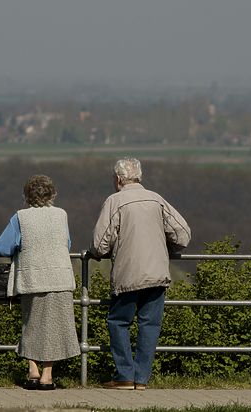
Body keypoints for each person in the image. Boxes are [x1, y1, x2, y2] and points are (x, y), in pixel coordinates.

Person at [89, 158, 191, 390]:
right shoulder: (157, 199)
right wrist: (167, 246)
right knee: (150, 325)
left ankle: (124, 375)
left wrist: (98, 252)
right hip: (157, 273)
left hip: (128, 275)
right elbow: (183, 234)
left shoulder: (115, 201)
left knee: (118, 322)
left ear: (118, 179)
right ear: (139, 177)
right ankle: (141, 379)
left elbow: (99, 244)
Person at [0, 174, 80, 391]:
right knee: (55, 328)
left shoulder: (20, 217)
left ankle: (33, 371)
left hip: (32, 277)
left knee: (30, 324)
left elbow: (2, 246)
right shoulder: (62, 215)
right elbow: (67, 243)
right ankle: (47, 375)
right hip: (60, 278)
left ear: (26, 196)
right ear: (53, 194)